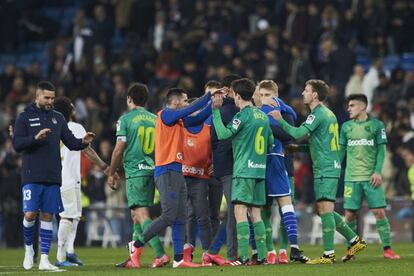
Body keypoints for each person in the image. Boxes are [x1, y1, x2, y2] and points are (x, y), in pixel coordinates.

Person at [268, 79, 366, 264]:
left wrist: (279, 119)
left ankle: (329, 254)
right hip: (328, 165)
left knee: (325, 209)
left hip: (325, 167)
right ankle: (354, 240)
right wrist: (297, 149)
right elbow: (320, 144)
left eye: (306, 90)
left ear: (315, 95)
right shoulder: (327, 114)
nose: (303, 93)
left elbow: (297, 133)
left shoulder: (318, 114)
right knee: (323, 209)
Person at [12, 81, 95, 271]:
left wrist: (83, 142)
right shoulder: (24, 117)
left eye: (52, 97)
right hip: (32, 175)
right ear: (37, 97)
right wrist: (35, 138)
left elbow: (71, 142)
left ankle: (44, 260)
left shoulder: (58, 118)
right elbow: (17, 144)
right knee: (30, 213)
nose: (50, 101)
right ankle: (28, 251)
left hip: (53, 176)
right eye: (46, 97)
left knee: (48, 215)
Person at [128, 88, 211, 268]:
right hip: (166, 170)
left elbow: (197, 118)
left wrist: (214, 105)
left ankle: (179, 259)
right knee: (168, 216)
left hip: (176, 170)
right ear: (175, 102)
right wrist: (208, 96)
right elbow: (190, 111)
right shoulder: (165, 115)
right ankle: (136, 247)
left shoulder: (178, 120)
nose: (188, 103)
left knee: (180, 217)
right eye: (185, 100)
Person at [106, 83, 169, 269]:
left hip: (135, 172)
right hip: (153, 171)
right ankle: (134, 258)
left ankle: (161, 254)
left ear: (129, 99)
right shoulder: (155, 119)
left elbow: (118, 150)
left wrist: (111, 172)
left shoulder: (125, 120)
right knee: (136, 215)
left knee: (141, 214)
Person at [212, 78, 273, 265]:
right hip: (259, 172)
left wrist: (215, 112)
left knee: (239, 213)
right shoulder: (263, 116)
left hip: (243, 170)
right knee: (256, 214)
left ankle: (243, 256)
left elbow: (223, 135)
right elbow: (270, 142)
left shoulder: (242, 116)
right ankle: (262, 256)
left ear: (237, 95)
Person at [53, 96, 115, 267]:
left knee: (75, 216)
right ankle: (60, 257)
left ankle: (70, 251)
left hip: (59, 178)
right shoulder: (74, 127)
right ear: (70, 110)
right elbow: (87, 151)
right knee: (67, 217)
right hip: (68, 179)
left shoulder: (53, 128)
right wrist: (105, 167)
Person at [339, 94, 400, 260]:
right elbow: (341, 151)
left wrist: (378, 171)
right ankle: (350, 250)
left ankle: (387, 249)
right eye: (348, 105)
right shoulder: (345, 127)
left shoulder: (376, 125)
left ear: (362, 107)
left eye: (352, 105)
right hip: (351, 178)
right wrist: (335, 166)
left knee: (379, 212)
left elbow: (381, 151)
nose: (348, 108)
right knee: (349, 215)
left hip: (371, 178)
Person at [256, 80, 309, 264]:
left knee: (285, 207)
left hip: (282, 165)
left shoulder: (283, 114)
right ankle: (270, 250)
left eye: (267, 95)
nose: (263, 99)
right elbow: (289, 136)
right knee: (266, 210)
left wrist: (282, 107)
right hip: (266, 163)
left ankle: (286, 250)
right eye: (261, 95)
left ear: (275, 96)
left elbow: (290, 134)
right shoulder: (263, 112)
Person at [204, 75, 241, 265]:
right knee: (236, 210)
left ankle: (214, 251)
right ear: (228, 90)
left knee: (236, 211)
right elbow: (218, 138)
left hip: (226, 165)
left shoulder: (227, 110)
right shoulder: (229, 110)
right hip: (229, 166)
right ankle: (230, 255)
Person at [181, 96, 213, 264]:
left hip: (200, 178)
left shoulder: (208, 130)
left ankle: (206, 252)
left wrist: (213, 162)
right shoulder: (181, 127)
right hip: (183, 178)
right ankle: (187, 249)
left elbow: (213, 150)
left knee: (202, 215)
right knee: (188, 215)